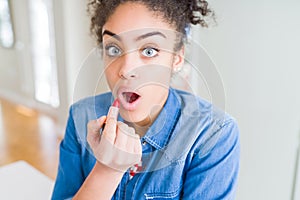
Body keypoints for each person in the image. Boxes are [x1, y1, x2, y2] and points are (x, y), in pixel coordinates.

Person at [52, 0, 240, 199]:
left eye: (149, 51)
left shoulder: (214, 134)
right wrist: (107, 171)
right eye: (114, 49)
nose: (126, 70)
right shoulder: (81, 116)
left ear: (177, 58)